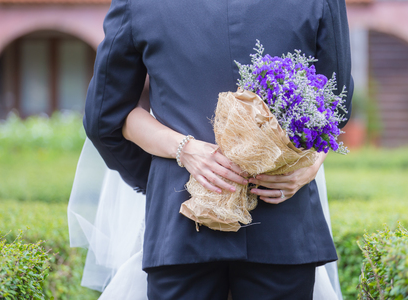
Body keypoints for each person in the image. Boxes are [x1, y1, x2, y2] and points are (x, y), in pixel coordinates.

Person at [79, 0, 353, 298]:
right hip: (283, 221)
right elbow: (335, 102)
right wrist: (307, 166)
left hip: (180, 223)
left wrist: (164, 174)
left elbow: (104, 117)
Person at [68, 139, 343, 300]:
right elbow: (114, 115)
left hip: (278, 227)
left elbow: (331, 107)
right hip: (182, 216)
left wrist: (311, 165)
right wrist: (168, 166)